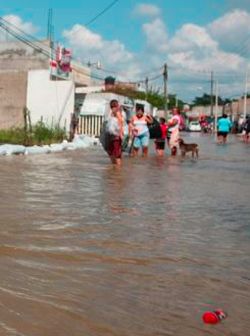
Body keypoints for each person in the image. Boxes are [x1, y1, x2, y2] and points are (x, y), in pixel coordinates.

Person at [106, 99, 124, 165]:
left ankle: (118, 169)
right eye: (112, 107)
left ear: (117, 106)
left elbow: (121, 124)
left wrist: (121, 134)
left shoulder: (118, 113)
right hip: (111, 136)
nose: (113, 108)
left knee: (117, 154)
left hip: (117, 136)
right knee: (110, 152)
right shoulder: (111, 113)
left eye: (115, 106)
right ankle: (114, 166)